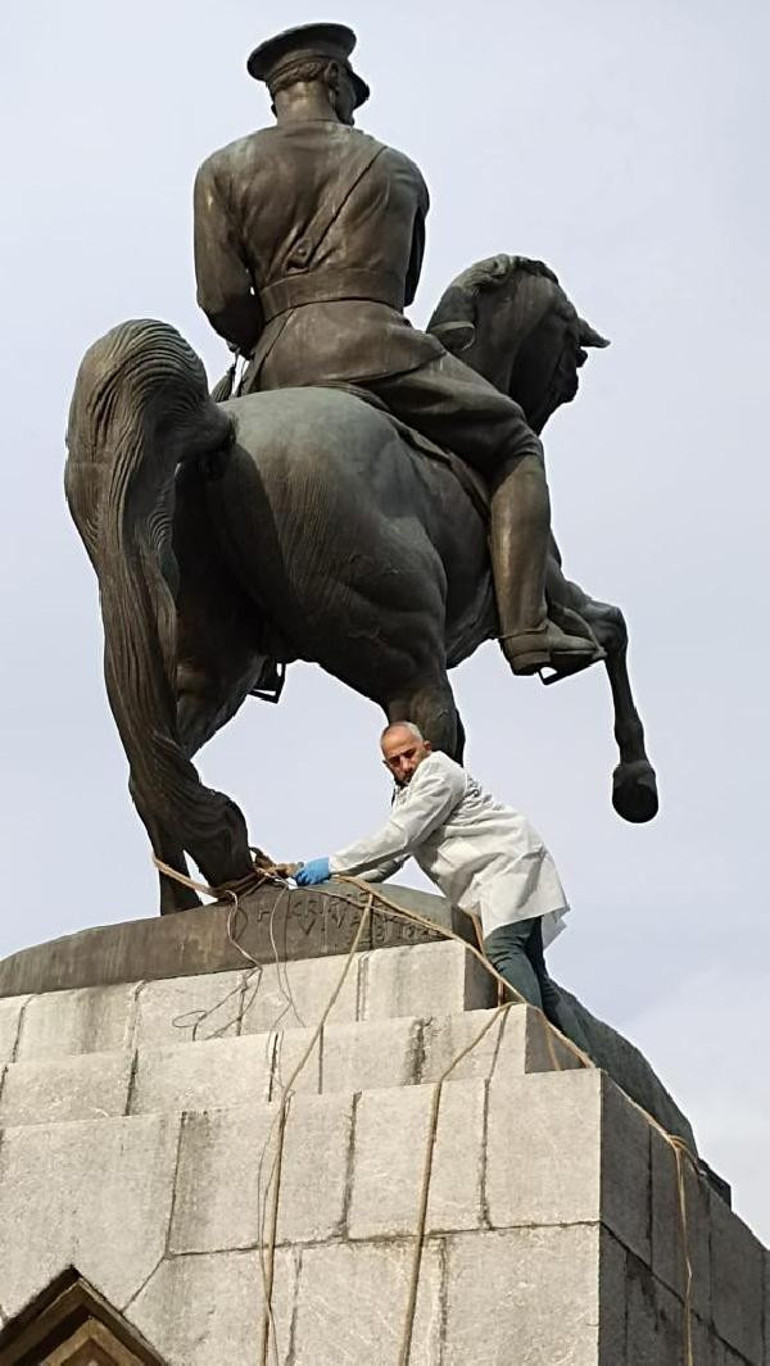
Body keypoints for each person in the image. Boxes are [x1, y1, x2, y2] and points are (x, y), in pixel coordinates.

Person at [192, 22, 603, 682]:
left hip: (274, 367)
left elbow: (219, 299)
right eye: (350, 89)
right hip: (377, 346)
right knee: (517, 443)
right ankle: (529, 626)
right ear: (332, 80)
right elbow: (403, 284)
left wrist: (268, 337)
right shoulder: (396, 168)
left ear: (279, 94)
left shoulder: (221, 170)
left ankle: (248, 631)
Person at [294, 720, 589, 1046]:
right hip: (503, 873)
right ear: (386, 765)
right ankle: (581, 1059)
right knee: (534, 969)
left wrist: (333, 863)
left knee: (502, 950)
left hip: (508, 865)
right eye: (396, 761)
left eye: (410, 754)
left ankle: (534, 1043)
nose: (406, 766)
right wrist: (338, 882)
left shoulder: (438, 773)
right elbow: (392, 858)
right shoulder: (408, 796)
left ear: (427, 748)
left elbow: (401, 836)